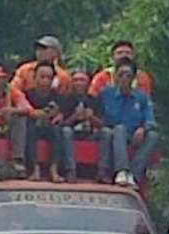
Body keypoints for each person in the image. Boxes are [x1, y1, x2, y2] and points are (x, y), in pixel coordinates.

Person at [99, 58, 159, 188]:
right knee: (119, 129)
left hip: (135, 135)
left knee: (153, 135)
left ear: (133, 78)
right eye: (121, 75)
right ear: (115, 76)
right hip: (113, 133)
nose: (124, 78)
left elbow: (151, 119)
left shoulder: (141, 97)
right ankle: (122, 170)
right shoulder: (106, 94)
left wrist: (143, 129)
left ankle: (133, 174)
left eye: (128, 75)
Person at [60, 70, 104, 182]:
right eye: (75, 80)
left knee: (107, 132)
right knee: (66, 131)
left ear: (88, 83)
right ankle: (70, 170)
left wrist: (91, 118)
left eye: (82, 80)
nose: (79, 83)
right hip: (71, 134)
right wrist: (74, 117)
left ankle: (103, 171)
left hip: (90, 134)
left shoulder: (95, 100)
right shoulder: (65, 99)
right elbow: (60, 125)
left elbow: (102, 124)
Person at [25, 61, 65, 182]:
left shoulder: (58, 96)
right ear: (34, 77)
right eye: (42, 77)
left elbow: (64, 113)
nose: (45, 81)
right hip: (33, 127)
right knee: (29, 127)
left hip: (50, 127)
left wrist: (60, 115)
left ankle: (54, 169)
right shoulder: (27, 95)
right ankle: (34, 168)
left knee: (58, 129)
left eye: (49, 78)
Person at [90, 40, 154, 98]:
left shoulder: (142, 77)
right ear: (112, 57)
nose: (124, 55)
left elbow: (145, 101)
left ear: (133, 56)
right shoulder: (102, 77)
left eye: (128, 53)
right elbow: (92, 99)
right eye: (119, 53)